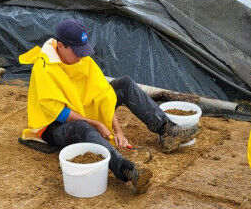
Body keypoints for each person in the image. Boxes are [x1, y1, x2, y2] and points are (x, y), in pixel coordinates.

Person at [19, 19, 200, 194]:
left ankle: (167, 131)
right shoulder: (44, 68)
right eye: (77, 51)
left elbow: (103, 95)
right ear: (61, 46)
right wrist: (96, 123)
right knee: (82, 127)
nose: (82, 56)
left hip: (81, 109)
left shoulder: (81, 59)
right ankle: (126, 168)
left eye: (83, 50)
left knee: (124, 84)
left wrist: (118, 130)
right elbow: (59, 113)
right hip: (53, 125)